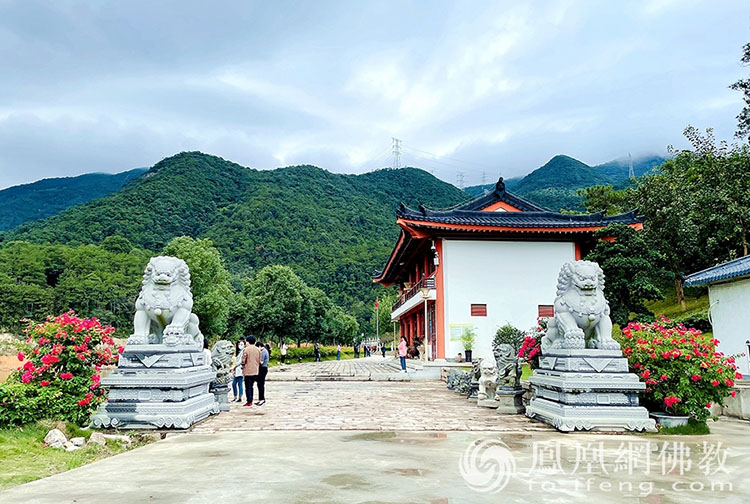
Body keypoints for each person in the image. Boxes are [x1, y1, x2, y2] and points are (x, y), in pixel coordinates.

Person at [241, 336, 261, 406]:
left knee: (248, 386)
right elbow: (259, 360)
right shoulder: (258, 349)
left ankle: (249, 401)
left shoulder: (246, 349)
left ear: (248, 342)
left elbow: (243, 360)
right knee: (251, 386)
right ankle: (251, 399)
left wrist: (242, 365)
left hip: (248, 370)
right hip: (255, 370)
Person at [255, 340, 269, 406]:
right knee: (259, 384)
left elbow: (261, 362)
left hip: (262, 368)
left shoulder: (263, 352)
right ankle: (260, 399)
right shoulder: (263, 351)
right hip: (262, 369)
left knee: (261, 384)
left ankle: (262, 399)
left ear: (260, 346)